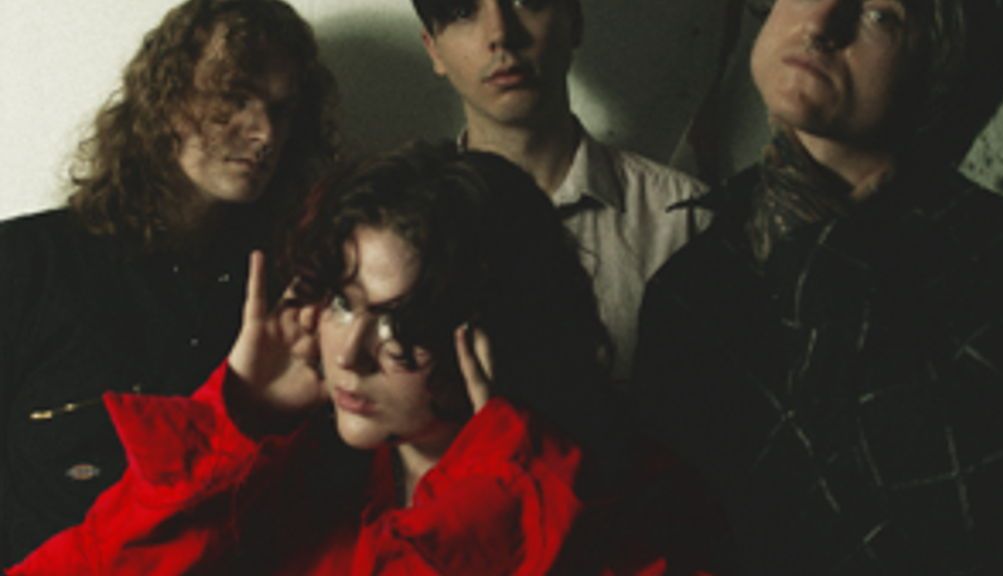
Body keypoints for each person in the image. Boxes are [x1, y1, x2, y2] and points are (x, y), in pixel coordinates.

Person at [8, 142, 717, 575]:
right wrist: (236, 425)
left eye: (400, 321)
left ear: (497, 328)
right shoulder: (301, 486)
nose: (348, 354)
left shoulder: (620, 509)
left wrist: (491, 509)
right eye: (343, 304)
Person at [635, 0, 1003, 573]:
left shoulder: (1000, 261)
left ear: (943, 59)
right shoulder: (689, 285)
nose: (818, 24)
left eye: (879, 13)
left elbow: (954, 522)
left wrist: (816, 258)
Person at [0, 0, 337, 564]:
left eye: (281, 110)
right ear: (167, 100)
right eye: (234, 99)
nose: (264, 133)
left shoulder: (283, 289)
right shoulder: (29, 261)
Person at [413, 0, 709, 382]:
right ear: (434, 50)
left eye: (530, 2)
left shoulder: (685, 220)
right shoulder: (403, 226)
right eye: (462, 11)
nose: (501, 34)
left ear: (575, 21)